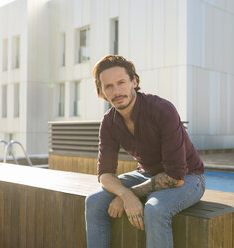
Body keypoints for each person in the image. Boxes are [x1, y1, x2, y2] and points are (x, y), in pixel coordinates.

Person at [85, 55, 205, 248]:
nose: (116, 91)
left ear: (134, 81)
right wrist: (126, 196)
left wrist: (129, 193)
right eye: (108, 86)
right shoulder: (108, 122)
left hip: (189, 176)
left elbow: (175, 177)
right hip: (147, 174)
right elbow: (105, 174)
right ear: (102, 92)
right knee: (94, 201)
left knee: (154, 209)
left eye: (121, 82)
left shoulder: (162, 109)